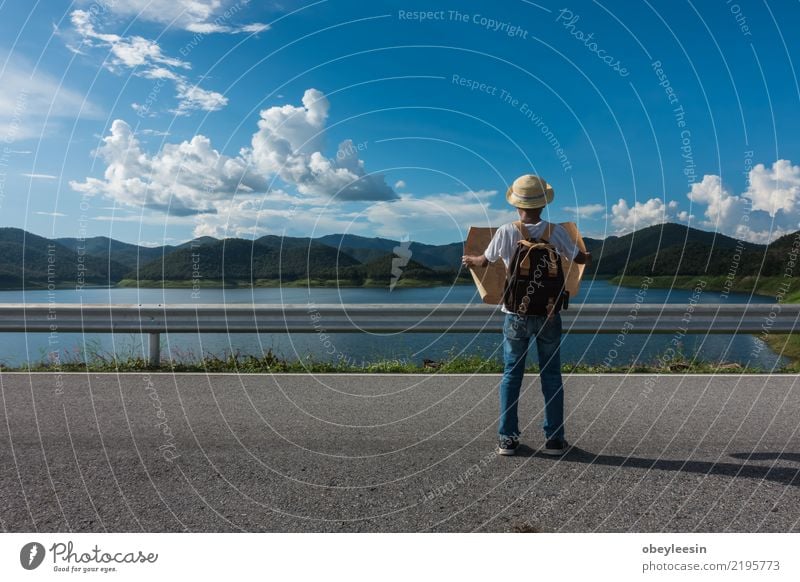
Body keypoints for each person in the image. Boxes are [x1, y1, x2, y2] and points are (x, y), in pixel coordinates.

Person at [462, 174, 591, 457]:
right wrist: (585, 253)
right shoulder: (557, 232)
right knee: (551, 375)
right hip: (549, 312)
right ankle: (555, 439)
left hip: (515, 313)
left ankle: (508, 439)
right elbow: (580, 259)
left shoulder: (507, 231)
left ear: (516, 204)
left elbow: (485, 261)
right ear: (543, 204)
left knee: (512, 375)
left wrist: (470, 260)